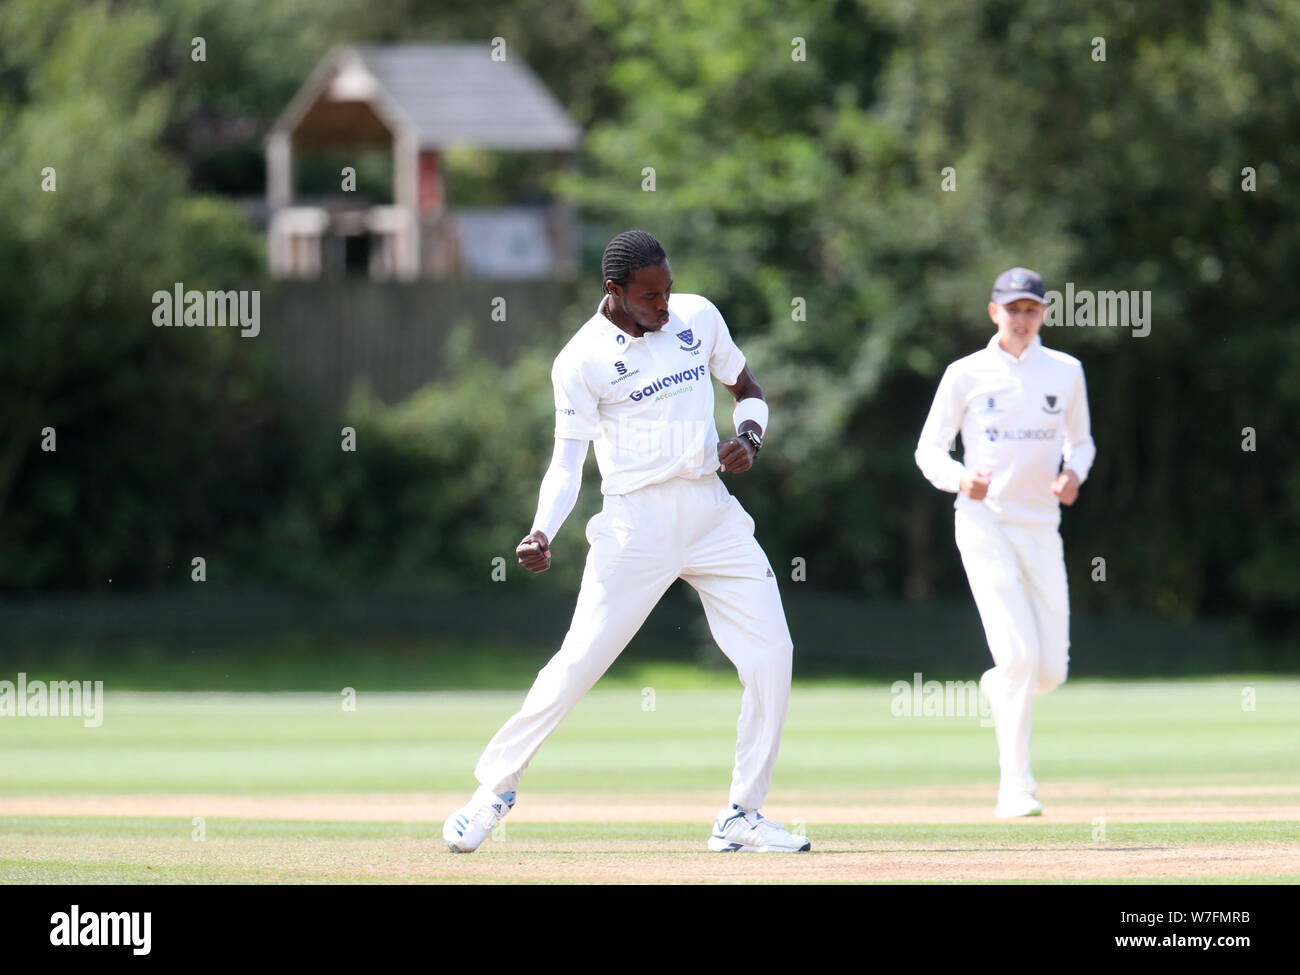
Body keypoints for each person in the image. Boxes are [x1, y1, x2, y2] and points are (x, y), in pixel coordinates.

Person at [443, 230, 809, 853]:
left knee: (773, 654)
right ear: (613, 291)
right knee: (579, 662)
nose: (665, 307)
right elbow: (566, 464)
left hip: (711, 511)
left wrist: (748, 439)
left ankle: (742, 815)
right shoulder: (579, 360)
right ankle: (492, 792)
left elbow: (749, 393)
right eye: (650, 298)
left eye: (667, 290)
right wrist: (541, 530)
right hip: (635, 524)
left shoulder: (696, 315)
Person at [914, 267, 1096, 818]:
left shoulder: (1065, 371)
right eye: (1012, 309)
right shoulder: (965, 373)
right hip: (982, 523)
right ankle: (1015, 788)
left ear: (1043, 314)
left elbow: (1082, 441)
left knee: (1049, 672)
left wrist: (1073, 474)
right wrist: (958, 479)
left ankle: (1001, 687)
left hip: (1040, 528)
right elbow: (929, 450)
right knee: (1018, 657)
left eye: (1031, 309)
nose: (1021, 318)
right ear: (994, 312)